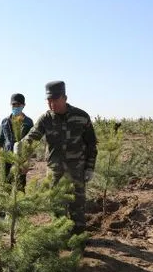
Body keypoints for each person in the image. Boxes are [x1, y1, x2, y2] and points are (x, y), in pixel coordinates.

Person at [16, 81, 98, 235]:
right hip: (55, 174)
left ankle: (79, 244)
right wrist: (20, 146)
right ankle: (60, 243)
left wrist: (89, 168)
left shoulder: (81, 117)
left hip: (76, 173)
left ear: (64, 97)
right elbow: (32, 137)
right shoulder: (46, 119)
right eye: (48, 100)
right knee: (56, 209)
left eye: (54, 99)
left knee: (77, 209)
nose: (51, 103)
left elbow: (92, 144)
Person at [0, 93, 34, 219]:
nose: (15, 106)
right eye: (13, 104)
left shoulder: (28, 122)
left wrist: (27, 162)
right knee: (5, 186)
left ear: (23, 105)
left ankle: (18, 216)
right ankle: (2, 215)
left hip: (20, 159)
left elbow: (30, 144)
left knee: (20, 186)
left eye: (18, 104)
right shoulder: (5, 121)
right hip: (6, 157)